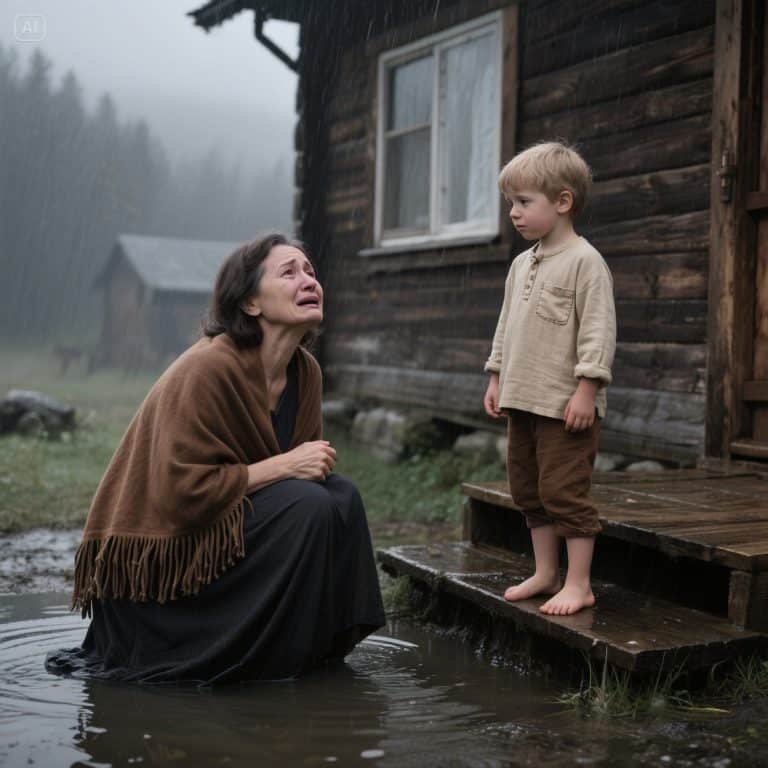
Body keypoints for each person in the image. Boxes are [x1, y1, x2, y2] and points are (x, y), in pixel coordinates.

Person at [47, 233, 385, 684]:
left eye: (311, 272)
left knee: (341, 498)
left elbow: (307, 477)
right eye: (289, 272)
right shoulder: (206, 368)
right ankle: (251, 658)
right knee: (312, 507)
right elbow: (180, 494)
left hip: (227, 526)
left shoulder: (306, 373)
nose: (309, 281)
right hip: (162, 560)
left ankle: (313, 648)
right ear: (249, 303)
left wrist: (297, 470)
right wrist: (285, 465)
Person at [483, 142, 616, 616]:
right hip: (522, 399)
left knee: (564, 491)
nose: (514, 214)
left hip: (564, 407)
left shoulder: (585, 261)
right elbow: (505, 325)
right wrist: (496, 376)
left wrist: (587, 390)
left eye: (523, 202)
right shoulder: (522, 263)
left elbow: (598, 331)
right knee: (528, 489)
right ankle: (546, 572)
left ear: (562, 202)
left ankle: (579, 583)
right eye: (510, 204)